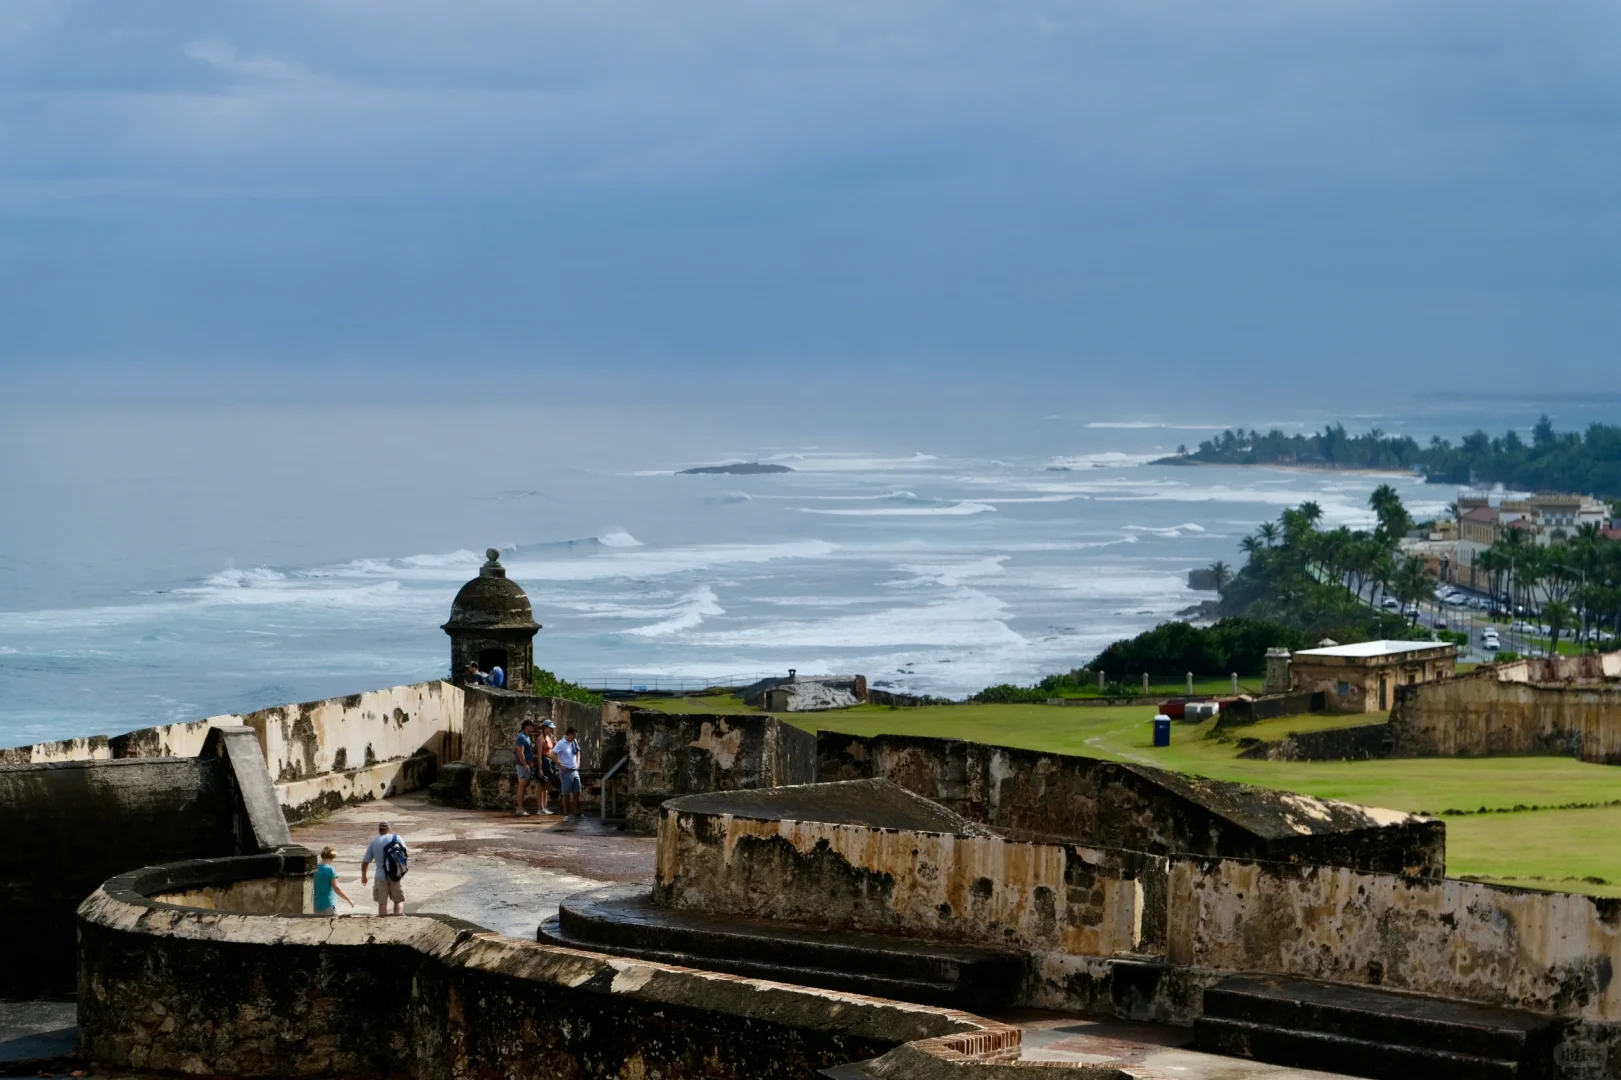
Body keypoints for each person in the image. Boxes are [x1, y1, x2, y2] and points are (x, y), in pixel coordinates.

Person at [360, 821, 407, 916]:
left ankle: (383, 923)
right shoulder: (397, 838)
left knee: (382, 903)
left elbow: (365, 862)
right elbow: (406, 854)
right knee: (398, 900)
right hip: (395, 874)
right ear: (389, 829)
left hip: (380, 876)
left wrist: (364, 876)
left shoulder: (374, 842)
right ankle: (398, 920)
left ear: (379, 830)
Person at [554, 726, 583, 823]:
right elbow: (552, 754)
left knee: (577, 792)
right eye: (574, 736)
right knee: (565, 793)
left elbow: (578, 751)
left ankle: (577, 812)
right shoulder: (561, 743)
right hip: (566, 771)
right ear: (569, 734)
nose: (575, 738)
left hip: (575, 770)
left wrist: (578, 762)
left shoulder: (573, 742)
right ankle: (566, 814)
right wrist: (560, 765)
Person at [313, 845, 353, 916]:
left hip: (316, 904)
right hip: (328, 904)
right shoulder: (331, 870)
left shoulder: (315, 869)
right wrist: (348, 899)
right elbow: (336, 888)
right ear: (331, 857)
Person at [514, 720, 538, 816]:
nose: (533, 728)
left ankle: (520, 808)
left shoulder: (527, 737)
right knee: (522, 786)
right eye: (531, 726)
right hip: (522, 765)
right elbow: (520, 753)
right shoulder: (522, 737)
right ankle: (520, 808)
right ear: (527, 726)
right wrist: (525, 765)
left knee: (524, 786)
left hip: (526, 764)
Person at [535, 719, 557, 816]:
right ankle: (540, 808)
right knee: (541, 785)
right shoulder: (540, 739)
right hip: (544, 761)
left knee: (546, 785)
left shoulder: (549, 737)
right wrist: (540, 768)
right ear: (545, 727)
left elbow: (552, 750)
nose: (551, 729)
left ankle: (545, 807)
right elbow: (539, 754)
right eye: (549, 727)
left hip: (549, 762)